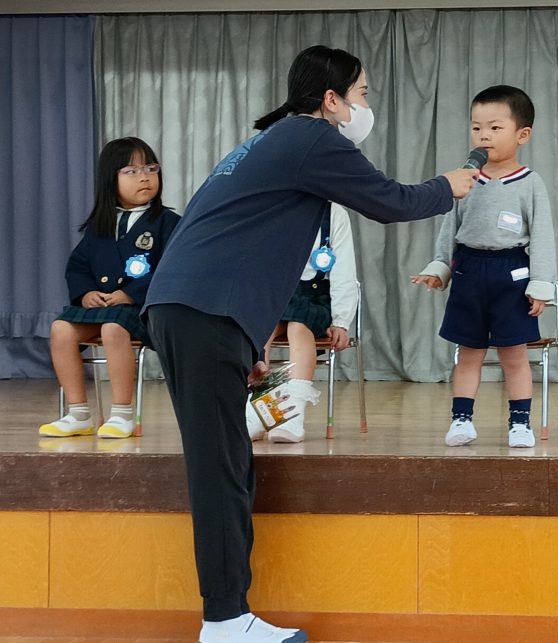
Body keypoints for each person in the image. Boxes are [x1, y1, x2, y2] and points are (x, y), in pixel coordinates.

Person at [143, 45, 478, 643]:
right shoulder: (311, 137)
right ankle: (223, 621)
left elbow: (229, 233)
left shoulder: (274, 140)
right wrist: (448, 187)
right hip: (202, 311)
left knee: (228, 462)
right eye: (362, 93)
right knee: (219, 469)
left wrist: (245, 337)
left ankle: (230, 615)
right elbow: (390, 201)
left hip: (198, 309)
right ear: (331, 99)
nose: (365, 105)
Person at [412, 85, 556, 449]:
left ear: (522, 134)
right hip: (469, 270)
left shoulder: (530, 183)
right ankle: (461, 419)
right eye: (477, 128)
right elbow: (451, 228)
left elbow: (543, 236)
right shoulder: (466, 178)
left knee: (514, 355)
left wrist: (541, 284)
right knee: (468, 353)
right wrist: (440, 267)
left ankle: (520, 423)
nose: (483, 136)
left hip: (512, 273)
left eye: (494, 127)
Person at [40, 137, 179, 439]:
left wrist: (131, 293)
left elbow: (173, 269)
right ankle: (78, 414)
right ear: (110, 180)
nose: (144, 177)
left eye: (150, 168)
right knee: (61, 329)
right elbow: (77, 266)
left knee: (113, 329)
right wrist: (86, 293)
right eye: (131, 171)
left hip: (141, 310)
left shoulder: (168, 223)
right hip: (104, 308)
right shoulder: (99, 226)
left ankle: (122, 414)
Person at [248, 202, 358, 443]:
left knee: (298, 326)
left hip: (315, 297)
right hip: (276, 294)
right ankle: (259, 410)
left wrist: (341, 320)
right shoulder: (273, 208)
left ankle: (292, 412)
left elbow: (345, 271)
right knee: (261, 330)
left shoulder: (334, 214)